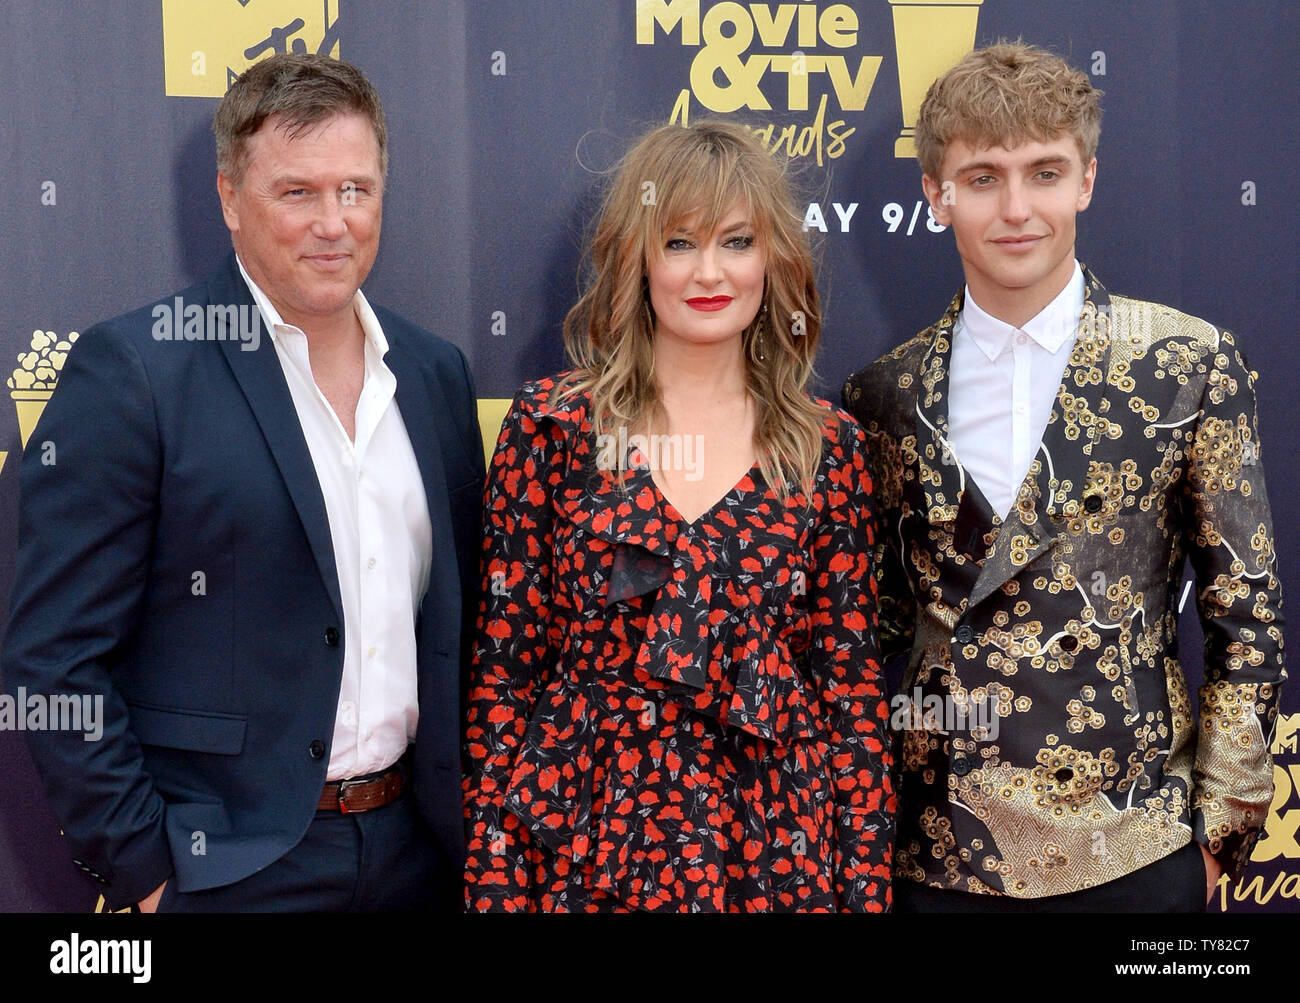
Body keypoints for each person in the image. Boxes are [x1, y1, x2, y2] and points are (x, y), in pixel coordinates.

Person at [2, 53, 483, 911]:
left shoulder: (434, 373)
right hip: (227, 871)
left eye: (356, 189)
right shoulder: (137, 372)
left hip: (419, 855)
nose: (333, 222)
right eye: (297, 192)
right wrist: (147, 872)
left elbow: (461, 627)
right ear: (229, 198)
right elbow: (53, 661)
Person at [842, 42, 1284, 912]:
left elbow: (1247, 612)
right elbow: (868, 626)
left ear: (1085, 179)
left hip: (1136, 854)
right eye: (982, 179)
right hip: (938, 861)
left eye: (1043, 173)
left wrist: (1218, 838)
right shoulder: (883, 395)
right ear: (936, 194)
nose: (1016, 209)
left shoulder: (1185, 364)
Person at [462, 121, 895, 911]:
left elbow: (853, 699)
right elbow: (505, 674)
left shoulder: (826, 448)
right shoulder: (553, 427)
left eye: (736, 242)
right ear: (638, 257)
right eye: (679, 242)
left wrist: (864, 893)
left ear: (772, 258)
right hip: (589, 849)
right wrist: (495, 884)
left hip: (772, 855)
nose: (709, 272)